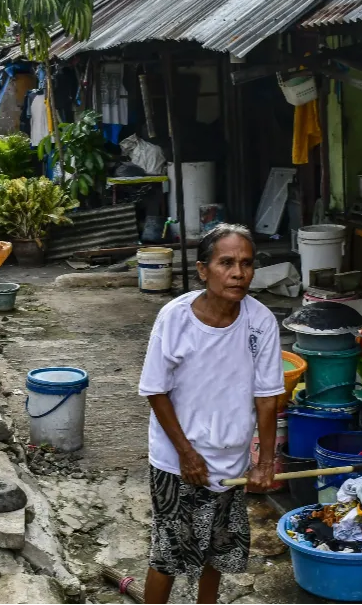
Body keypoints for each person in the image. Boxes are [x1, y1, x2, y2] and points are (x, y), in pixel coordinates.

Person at [138, 224, 285, 605]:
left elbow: (267, 396)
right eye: (226, 263)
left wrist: (264, 461)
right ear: (203, 270)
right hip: (177, 458)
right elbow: (155, 389)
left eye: (247, 263)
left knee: (217, 550)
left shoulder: (260, 321)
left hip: (230, 458)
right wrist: (186, 453)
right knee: (169, 552)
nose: (239, 273)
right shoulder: (175, 318)